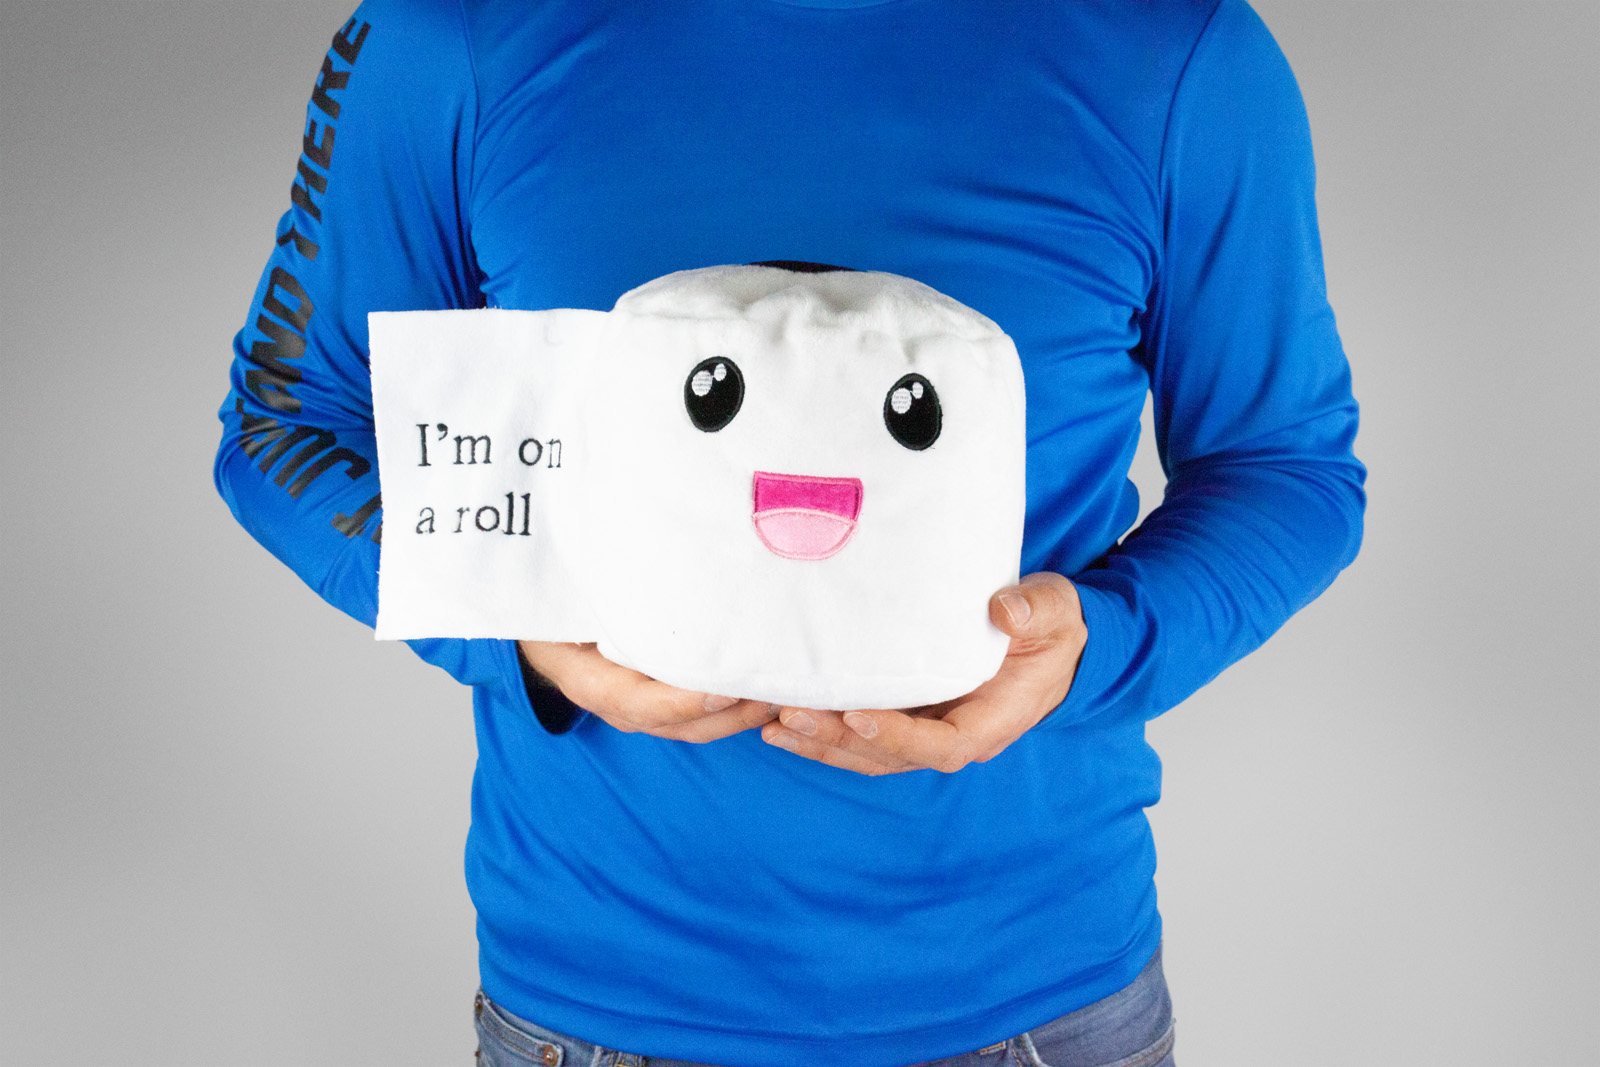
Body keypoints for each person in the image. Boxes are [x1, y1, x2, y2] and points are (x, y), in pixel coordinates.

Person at [214, 0, 1364, 1063]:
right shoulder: (449, 30)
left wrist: (1094, 644)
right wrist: (520, 634)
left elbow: (1285, 465)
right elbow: (284, 424)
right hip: (598, 995)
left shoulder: (1174, 49)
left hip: (1036, 993)